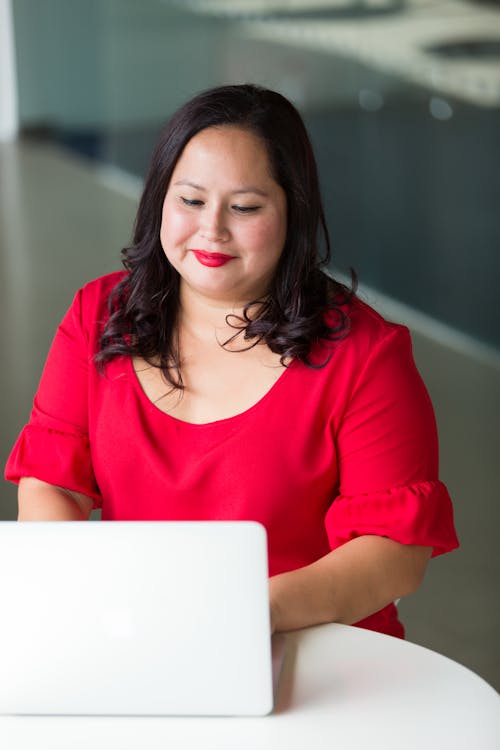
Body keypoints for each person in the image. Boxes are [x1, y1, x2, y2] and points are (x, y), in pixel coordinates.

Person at [5, 83, 458, 638]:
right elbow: (53, 481)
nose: (212, 229)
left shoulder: (367, 356)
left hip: (311, 643)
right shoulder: (98, 315)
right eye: (191, 200)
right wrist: (81, 593)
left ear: (294, 211)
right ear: (160, 201)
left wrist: (246, 616)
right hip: (140, 637)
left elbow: (393, 553)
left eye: (244, 207)